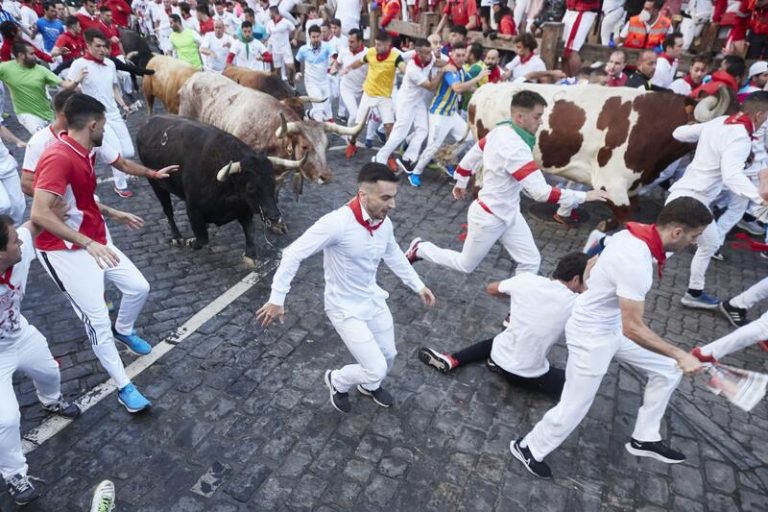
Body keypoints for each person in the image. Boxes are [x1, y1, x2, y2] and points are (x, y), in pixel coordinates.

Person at [512, 198, 712, 480]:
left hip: (609, 328)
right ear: (677, 232)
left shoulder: (635, 233)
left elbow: (593, 254)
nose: (695, 243)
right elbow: (633, 327)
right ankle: (528, 447)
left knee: (666, 369)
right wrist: (680, 353)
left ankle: (644, 437)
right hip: (591, 336)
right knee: (575, 404)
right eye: (695, 236)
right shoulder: (637, 261)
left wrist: (594, 282)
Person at [256, 163, 436, 413]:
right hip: (344, 308)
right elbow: (293, 253)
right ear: (363, 195)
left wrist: (418, 285)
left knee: (389, 355)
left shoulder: (384, 222)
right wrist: (277, 298)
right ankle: (337, 381)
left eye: (393, 197)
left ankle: (369, 387)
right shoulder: (336, 223)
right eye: (385, 198)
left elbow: (393, 253)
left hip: (372, 299)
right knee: (375, 367)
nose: (392, 205)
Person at [30, 93, 153, 414]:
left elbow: (80, 199)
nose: (105, 131)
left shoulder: (86, 150)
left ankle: (124, 330)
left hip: (95, 236)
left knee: (139, 287)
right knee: (97, 318)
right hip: (62, 251)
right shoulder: (59, 156)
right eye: (104, 125)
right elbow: (40, 213)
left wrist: (114, 213)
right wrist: (87, 244)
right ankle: (124, 387)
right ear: (93, 124)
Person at [405, 91, 608, 274]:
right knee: (465, 265)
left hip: (509, 213)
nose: (540, 123)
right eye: (537, 117)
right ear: (520, 117)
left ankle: (515, 312)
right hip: (489, 217)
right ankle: (420, 249)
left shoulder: (502, 130)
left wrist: (461, 179)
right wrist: (585, 196)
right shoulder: (515, 148)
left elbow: (476, 151)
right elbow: (541, 193)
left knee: (530, 261)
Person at [419, 252, 590, 398]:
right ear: (576, 279)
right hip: (525, 375)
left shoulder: (527, 280)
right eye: (587, 280)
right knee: (577, 384)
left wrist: (516, 294)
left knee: (495, 341)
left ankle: (452, 360)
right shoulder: (577, 302)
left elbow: (491, 288)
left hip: (498, 353)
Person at [1, 213, 84, 506]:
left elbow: (35, 221)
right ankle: (14, 474)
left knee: (49, 371)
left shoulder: (18, 251)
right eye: (14, 242)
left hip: (20, 335)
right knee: (6, 420)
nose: (21, 245)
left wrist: (54, 204)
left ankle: (51, 401)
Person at [669, 92, 768, 310]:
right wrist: (758, 199)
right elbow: (732, 175)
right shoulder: (741, 137)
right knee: (661, 247)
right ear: (759, 115)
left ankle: (694, 292)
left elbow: (679, 133)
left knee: (709, 243)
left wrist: (701, 130)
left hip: (689, 198)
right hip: (692, 201)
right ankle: (604, 244)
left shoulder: (720, 121)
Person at [20, 89, 178, 198]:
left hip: (86, 208)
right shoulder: (40, 142)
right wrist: (58, 201)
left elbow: (121, 163)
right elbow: (27, 183)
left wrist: (153, 173)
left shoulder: (90, 135)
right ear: (64, 114)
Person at [404, 43, 486, 187]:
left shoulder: (460, 70)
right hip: (438, 114)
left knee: (468, 138)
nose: (461, 58)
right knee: (433, 147)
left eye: (463, 55)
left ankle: (446, 159)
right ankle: (415, 173)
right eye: (458, 55)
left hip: (451, 114)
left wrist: (485, 92)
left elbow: (469, 85)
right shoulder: (449, 70)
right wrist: (478, 78)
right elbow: (458, 88)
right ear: (452, 55)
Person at [69, 28, 137, 198]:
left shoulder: (111, 64)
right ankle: (120, 186)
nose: (102, 50)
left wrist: (124, 104)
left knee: (129, 151)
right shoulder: (79, 65)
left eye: (105, 46)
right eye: (98, 46)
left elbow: (114, 87)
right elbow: (65, 88)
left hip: (114, 113)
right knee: (118, 152)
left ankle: (97, 152)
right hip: (96, 118)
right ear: (88, 45)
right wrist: (77, 80)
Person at [375, 38, 444, 171]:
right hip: (406, 101)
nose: (429, 55)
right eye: (426, 53)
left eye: (430, 52)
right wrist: (442, 71)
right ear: (417, 53)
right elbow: (430, 86)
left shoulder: (429, 58)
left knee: (423, 130)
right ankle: (380, 157)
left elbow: (438, 62)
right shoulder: (412, 68)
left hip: (418, 101)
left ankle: (407, 158)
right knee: (400, 133)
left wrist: (452, 64)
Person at [0, 41, 83, 134]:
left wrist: (77, 80)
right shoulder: (6, 68)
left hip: (47, 113)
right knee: (43, 138)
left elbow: (67, 85)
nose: (35, 57)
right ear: (21, 55)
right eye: (31, 54)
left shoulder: (41, 70)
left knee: (59, 138)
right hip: (26, 114)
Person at [345, 31, 404, 156]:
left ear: (388, 44)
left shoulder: (396, 56)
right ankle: (352, 143)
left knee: (389, 127)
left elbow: (404, 67)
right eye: (376, 44)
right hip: (369, 94)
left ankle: (389, 156)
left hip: (384, 97)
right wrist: (348, 68)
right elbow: (360, 62)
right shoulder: (371, 52)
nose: (376, 47)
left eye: (379, 45)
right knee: (358, 126)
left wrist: (409, 73)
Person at [295, 24, 333, 121]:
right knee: (319, 109)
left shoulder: (327, 46)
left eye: (317, 36)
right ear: (309, 37)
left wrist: (335, 64)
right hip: (311, 82)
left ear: (321, 36)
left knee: (326, 106)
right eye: (313, 37)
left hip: (324, 81)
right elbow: (297, 60)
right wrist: (298, 72)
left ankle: (309, 114)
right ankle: (319, 130)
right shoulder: (303, 49)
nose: (316, 39)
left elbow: (335, 56)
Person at [560, 0, 601, 76]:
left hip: (584, 10)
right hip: (570, 9)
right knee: (564, 49)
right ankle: (565, 78)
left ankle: (573, 80)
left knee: (573, 49)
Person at [266, 5, 295, 86]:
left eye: (270, 13)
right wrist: (266, 43)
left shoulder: (286, 22)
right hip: (276, 50)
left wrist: (294, 39)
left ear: (274, 12)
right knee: (277, 71)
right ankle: (280, 87)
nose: (269, 15)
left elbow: (294, 30)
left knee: (290, 67)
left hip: (286, 48)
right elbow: (268, 35)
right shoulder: (269, 23)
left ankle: (291, 82)